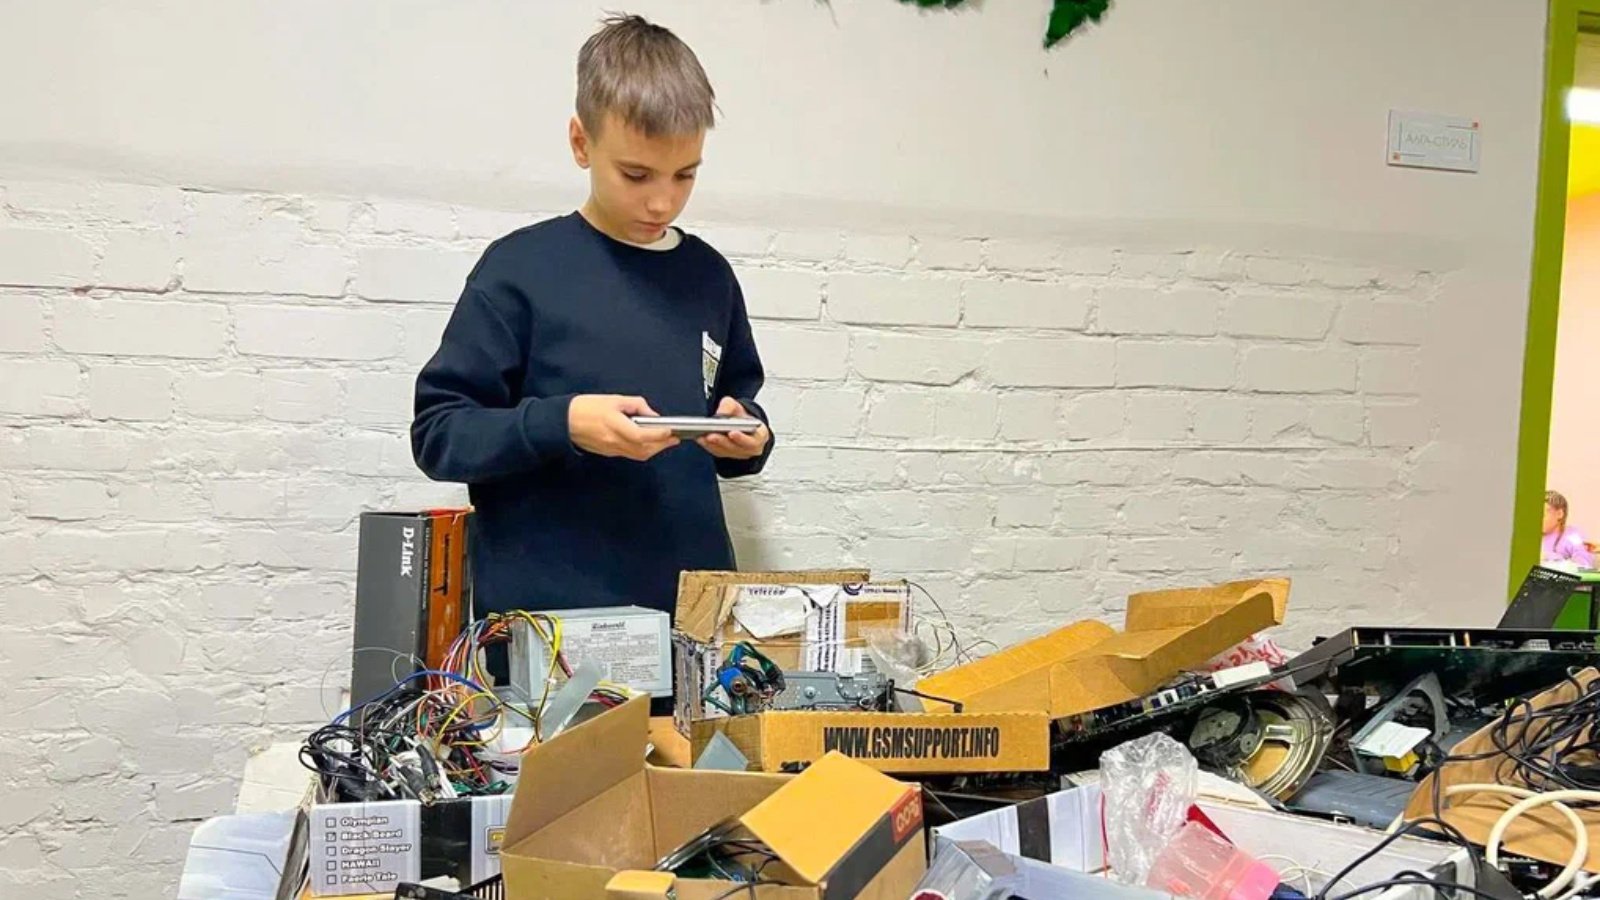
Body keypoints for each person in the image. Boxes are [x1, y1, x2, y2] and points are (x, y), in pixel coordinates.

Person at [411, 14, 774, 626]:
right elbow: (439, 434)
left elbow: (737, 411)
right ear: (581, 143)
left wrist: (748, 437)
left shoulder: (709, 276)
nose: (662, 200)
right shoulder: (519, 269)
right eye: (636, 174)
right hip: (551, 634)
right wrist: (565, 422)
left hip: (693, 625)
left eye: (685, 174)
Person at [1542, 490, 1594, 569]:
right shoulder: (1531, 536)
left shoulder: (1573, 536)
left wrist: (1553, 560)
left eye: (1542, 514)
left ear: (1559, 514)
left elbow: (1584, 566)